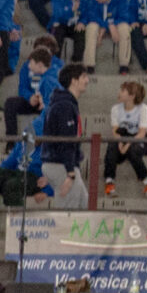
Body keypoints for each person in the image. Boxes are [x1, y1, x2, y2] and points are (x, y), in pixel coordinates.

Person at [43, 67, 92, 206]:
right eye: (84, 76)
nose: (87, 80)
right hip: (62, 165)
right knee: (69, 212)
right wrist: (70, 173)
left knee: (84, 205)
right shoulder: (65, 106)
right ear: (74, 81)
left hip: (61, 163)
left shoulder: (66, 104)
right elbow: (66, 140)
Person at [110, 80, 147, 196]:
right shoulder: (115, 109)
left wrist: (126, 145)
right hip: (122, 138)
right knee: (111, 147)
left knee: (132, 150)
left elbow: (142, 133)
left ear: (132, 96)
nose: (119, 92)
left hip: (139, 139)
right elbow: (115, 131)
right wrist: (120, 143)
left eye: (123, 91)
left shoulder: (143, 108)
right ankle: (109, 182)